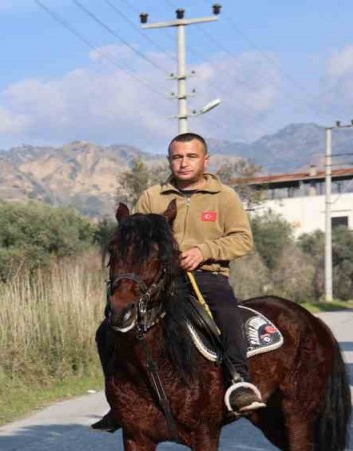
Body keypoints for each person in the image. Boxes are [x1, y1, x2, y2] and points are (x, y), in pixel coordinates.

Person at [92, 132, 265, 433]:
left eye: (191, 156)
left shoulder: (224, 197)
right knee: (109, 328)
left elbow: (242, 240)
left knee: (226, 313)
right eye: (177, 157)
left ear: (205, 160)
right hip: (159, 279)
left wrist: (203, 251)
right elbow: (137, 240)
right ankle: (119, 400)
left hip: (207, 276)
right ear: (170, 160)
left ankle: (239, 381)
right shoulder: (152, 196)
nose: (183, 163)